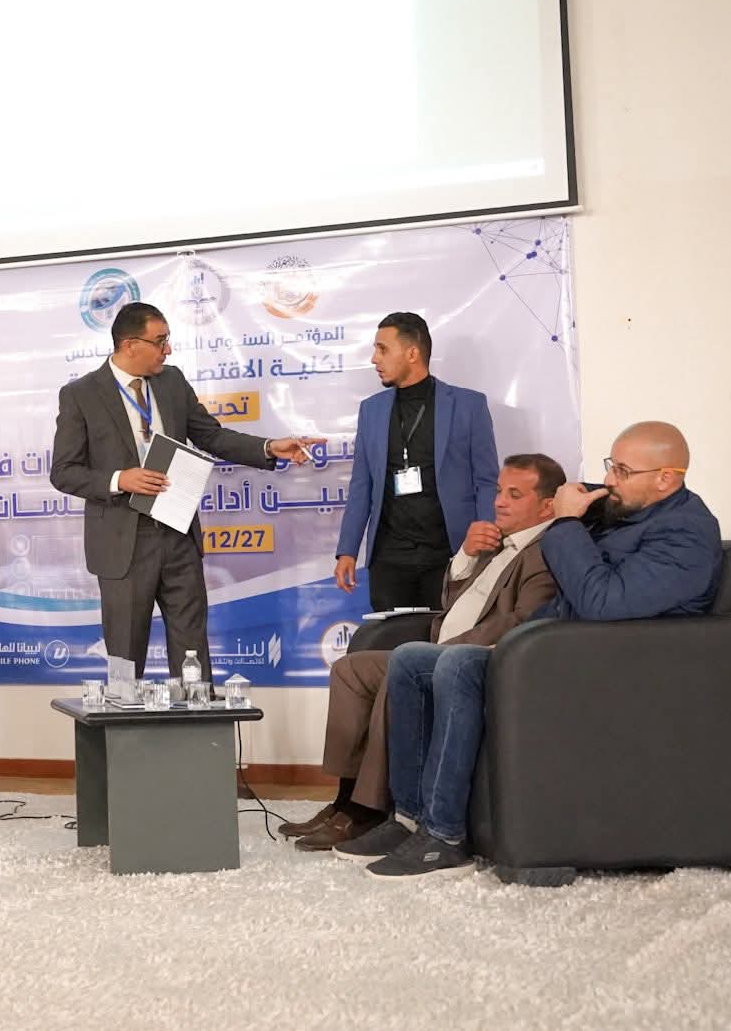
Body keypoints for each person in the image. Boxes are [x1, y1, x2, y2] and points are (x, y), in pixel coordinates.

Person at [347, 421, 722, 878]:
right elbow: (570, 503)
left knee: (460, 664)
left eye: (623, 472)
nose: (609, 480)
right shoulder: (627, 507)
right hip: (559, 651)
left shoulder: (686, 534)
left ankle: (443, 837)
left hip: (612, 669)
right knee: (410, 660)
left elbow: (603, 603)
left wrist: (566, 522)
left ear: (666, 478)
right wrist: (568, 502)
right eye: (611, 466)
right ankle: (409, 818)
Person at [282, 454, 564, 851]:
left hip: (470, 661)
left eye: (515, 495)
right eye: (500, 491)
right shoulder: (497, 540)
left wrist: (449, 647)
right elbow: (452, 601)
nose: (499, 502)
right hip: (437, 648)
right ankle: (345, 800)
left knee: (401, 666)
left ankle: (367, 812)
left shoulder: (547, 551)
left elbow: (521, 621)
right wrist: (467, 555)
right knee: (349, 669)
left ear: (547, 506)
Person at [50, 301, 320, 683]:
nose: (168, 349)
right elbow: (63, 472)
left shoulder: (171, 381)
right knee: (125, 656)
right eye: (160, 341)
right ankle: (124, 718)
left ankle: (197, 718)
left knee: (192, 650)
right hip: (122, 544)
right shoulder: (81, 394)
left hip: (178, 535)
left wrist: (269, 447)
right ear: (130, 345)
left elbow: (212, 436)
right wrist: (119, 479)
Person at [333, 312, 500, 611]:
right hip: (389, 559)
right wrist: (347, 550)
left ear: (412, 353)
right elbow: (361, 484)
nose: (374, 359)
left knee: (447, 637)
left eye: (383, 349)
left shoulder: (469, 405)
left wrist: (484, 542)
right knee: (390, 639)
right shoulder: (371, 410)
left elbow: (487, 481)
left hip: (451, 554)